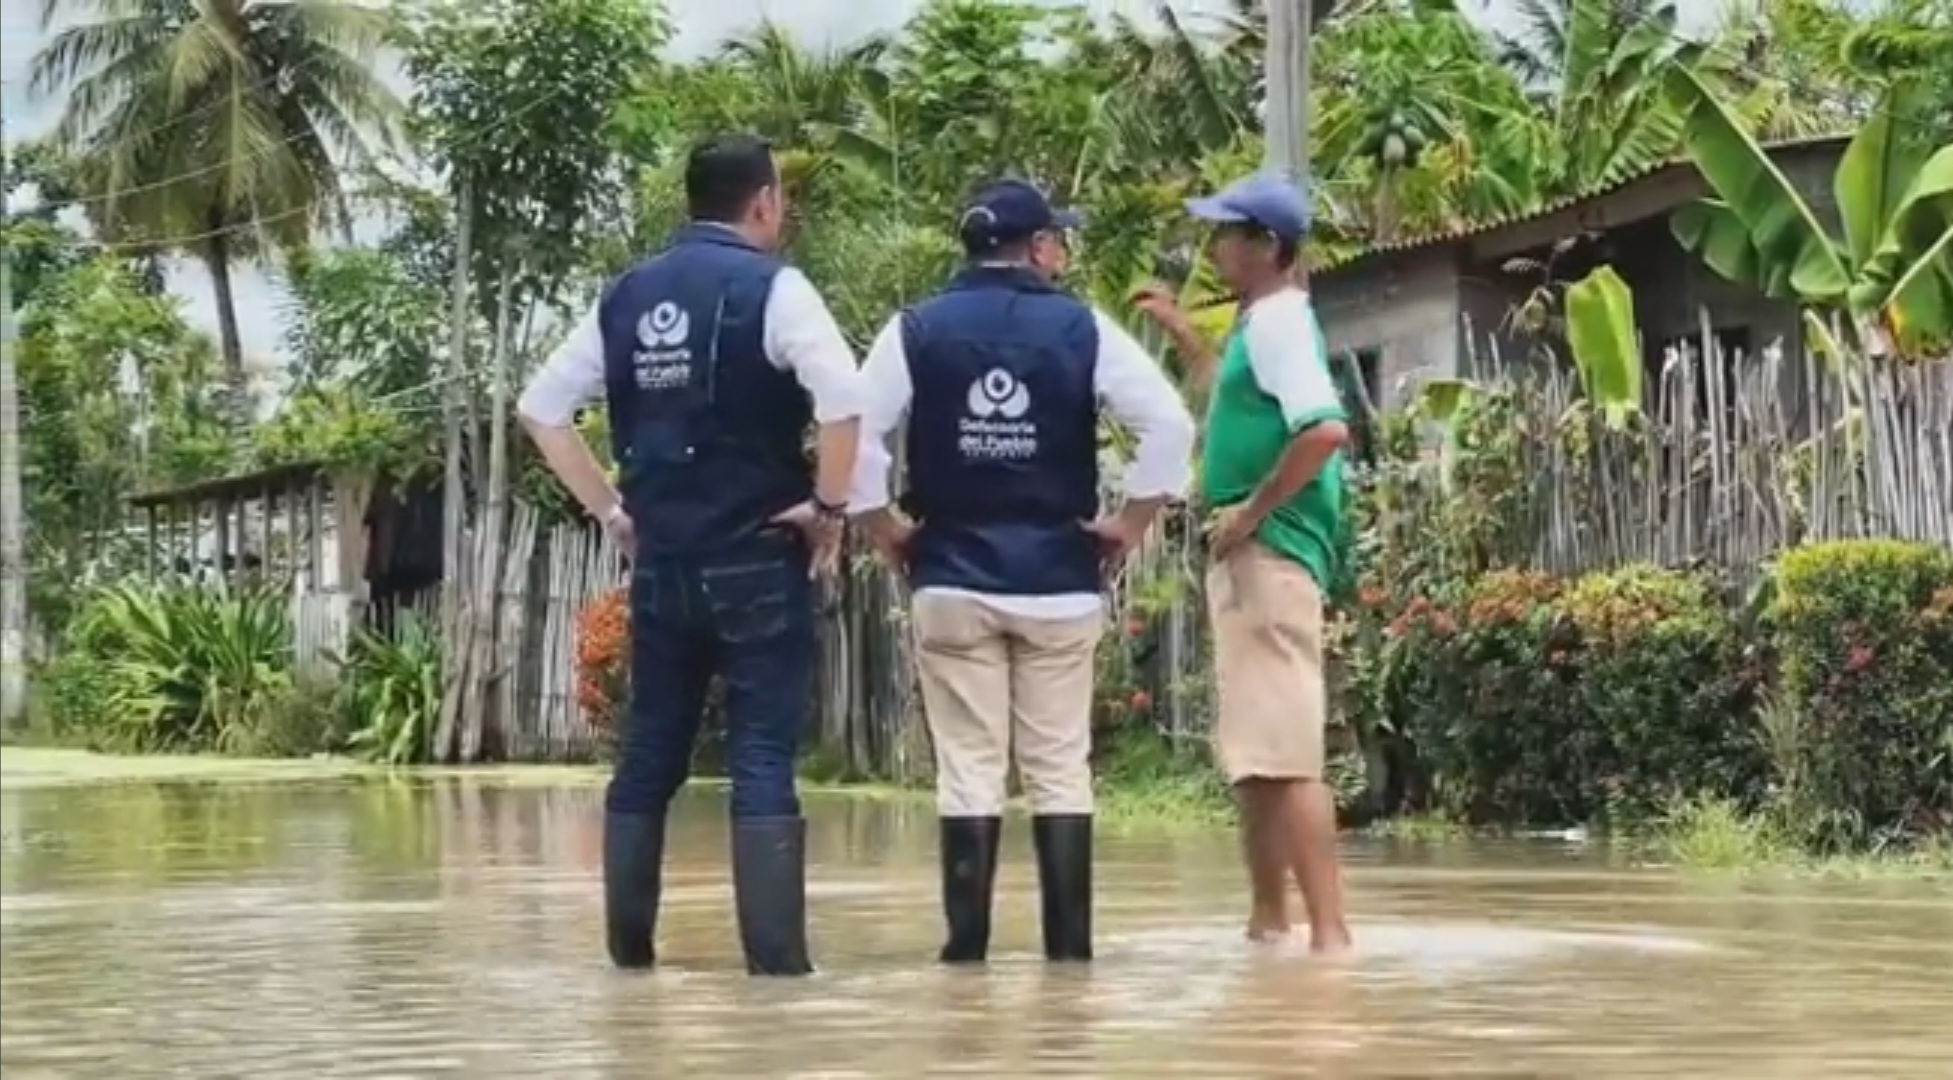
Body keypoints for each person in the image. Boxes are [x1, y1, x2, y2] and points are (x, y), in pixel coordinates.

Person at [516, 133, 862, 977]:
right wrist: (827, 507)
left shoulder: (627, 295)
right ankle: (776, 975)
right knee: (760, 759)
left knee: (648, 758)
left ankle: (629, 963)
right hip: (758, 557)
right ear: (764, 202)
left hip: (663, 567)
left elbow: (540, 408)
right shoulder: (775, 287)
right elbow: (845, 399)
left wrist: (612, 511)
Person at [851, 179, 1196, 964]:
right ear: (1037, 248)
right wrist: (1129, 524)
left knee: (969, 769)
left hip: (950, 576)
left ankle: (965, 958)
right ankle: (1068, 959)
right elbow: (1170, 423)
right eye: (1058, 240)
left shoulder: (914, 328)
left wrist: (884, 529)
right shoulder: (1082, 327)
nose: (1063, 252)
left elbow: (854, 428)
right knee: (1058, 768)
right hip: (1058, 580)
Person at [1131, 172, 1354, 954]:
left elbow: (1323, 430)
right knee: (1257, 760)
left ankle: (1329, 941)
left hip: (1271, 552)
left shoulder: (1281, 324)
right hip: (1255, 557)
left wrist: (1251, 514)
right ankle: (1269, 928)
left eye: (1225, 232)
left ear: (1266, 246)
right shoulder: (1261, 325)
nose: (1212, 245)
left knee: (1286, 758)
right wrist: (1186, 338)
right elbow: (1233, 401)